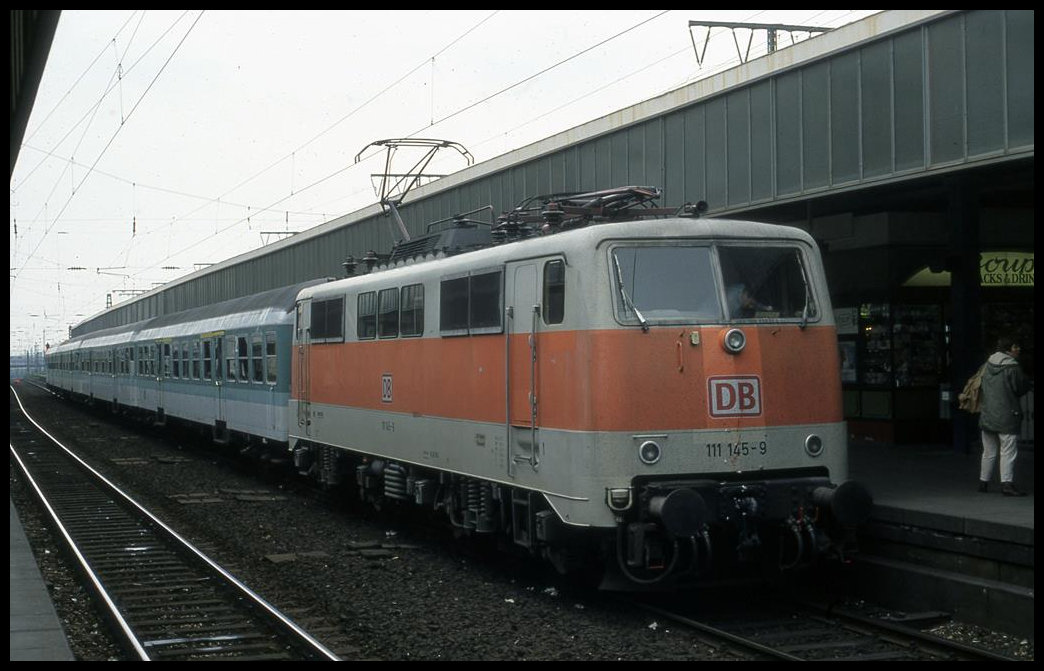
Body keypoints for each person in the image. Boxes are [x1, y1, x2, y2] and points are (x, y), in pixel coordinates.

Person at [977, 337, 1033, 496]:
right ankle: (1006, 484)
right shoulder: (1012, 367)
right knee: (1008, 451)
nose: (1018, 349)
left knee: (988, 451)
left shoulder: (987, 365)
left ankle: (983, 482)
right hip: (1008, 414)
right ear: (1008, 350)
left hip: (988, 414)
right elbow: (1020, 388)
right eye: (1016, 347)